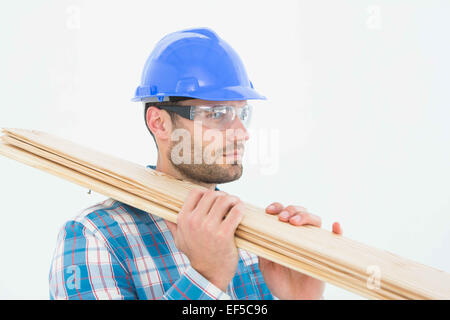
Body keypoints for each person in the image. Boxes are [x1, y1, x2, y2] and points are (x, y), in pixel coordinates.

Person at [49, 27, 342, 300]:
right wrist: (206, 277)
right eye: (216, 114)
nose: (241, 133)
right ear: (160, 123)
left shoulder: (255, 246)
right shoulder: (96, 237)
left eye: (242, 114)